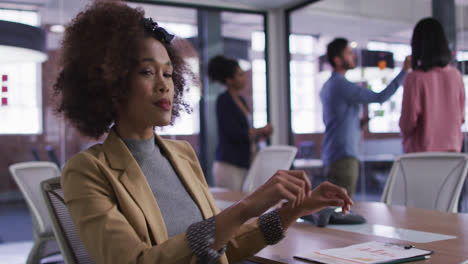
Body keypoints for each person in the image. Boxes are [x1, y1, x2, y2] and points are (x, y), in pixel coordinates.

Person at [54, 2, 353, 264]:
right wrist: (245, 207)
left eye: (169, 73)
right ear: (111, 83)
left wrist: (293, 210)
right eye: (147, 72)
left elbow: (226, 248)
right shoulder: (86, 172)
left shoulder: (181, 154)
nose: (165, 85)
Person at [320, 38, 411, 198]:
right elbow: (380, 96)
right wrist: (404, 71)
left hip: (333, 155)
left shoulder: (328, 85)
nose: (353, 56)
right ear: (337, 60)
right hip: (344, 158)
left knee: (333, 208)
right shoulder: (341, 84)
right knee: (342, 210)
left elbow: (337, 120)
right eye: (349, 53)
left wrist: (358, 123)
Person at [400, 17, 465, 153]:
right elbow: (461, 118)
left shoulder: (415, 78)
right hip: (452, 156)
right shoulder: (456, 76)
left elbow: (407, 124)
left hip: (422, 157)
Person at [208, 55, 273, 191]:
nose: (244, 77)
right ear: (229, 80)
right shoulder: (223, 100)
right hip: (229, 164)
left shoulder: (241, 100)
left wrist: (261, 134)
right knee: (234, 205)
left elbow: (246, 133)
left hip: (244, 162)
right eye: (240, 74)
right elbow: (233, 133)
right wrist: (259, 130)